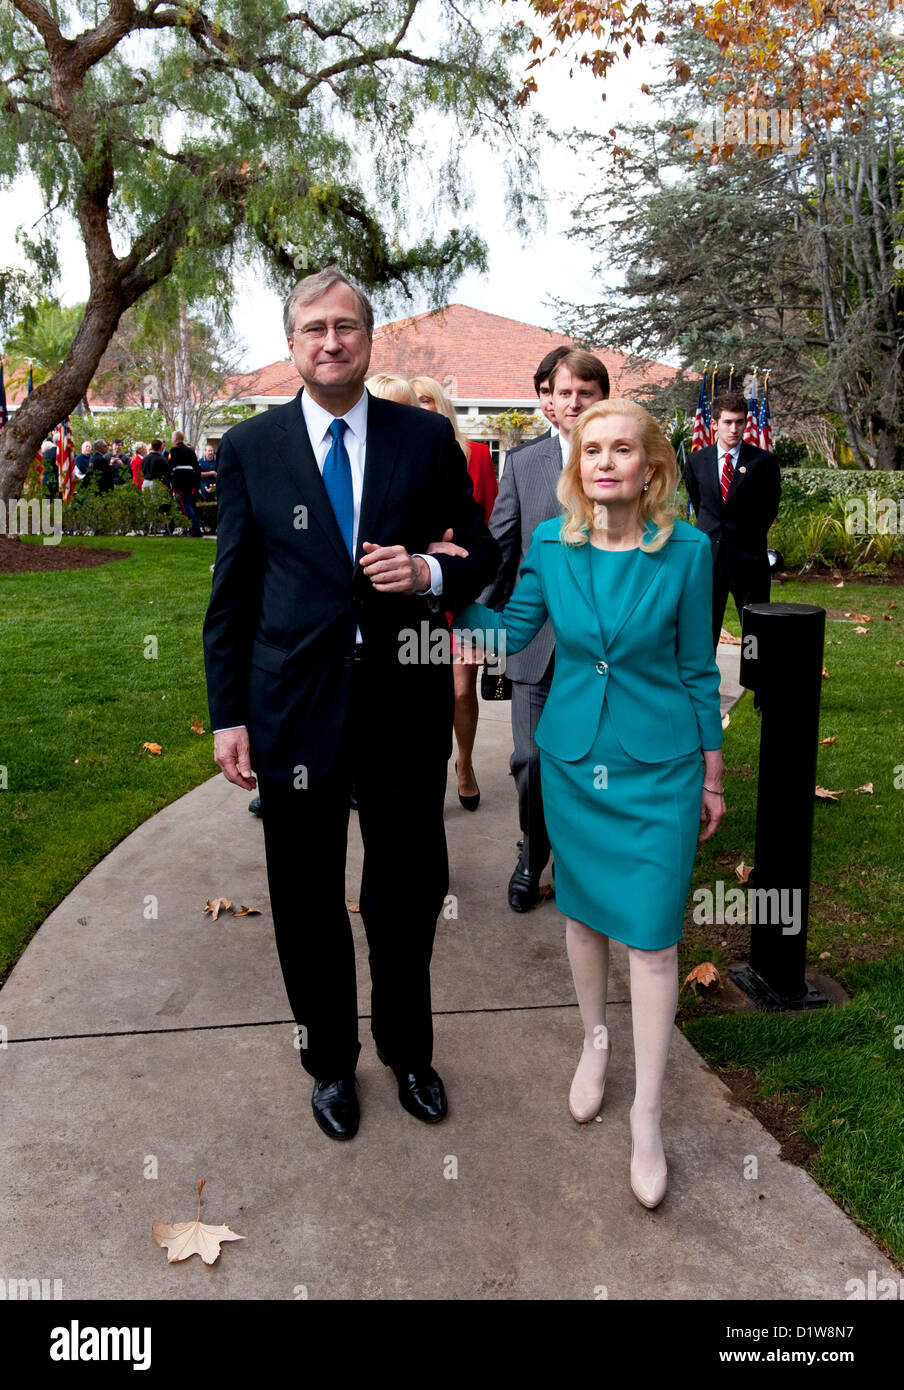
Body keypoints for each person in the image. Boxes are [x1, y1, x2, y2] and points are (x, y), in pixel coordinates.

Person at [203, 266, 499, 1142]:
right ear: (292, 345)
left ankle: (409, 1052)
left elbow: (480, 551)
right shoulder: (252, 448)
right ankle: (329, 1064)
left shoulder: (422, 439)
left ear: (369, 340)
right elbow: (232, 595)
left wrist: (429, 571)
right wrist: (229, 715)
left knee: (407, 890)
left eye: (346, 327)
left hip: (403, 704)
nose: (330, 342)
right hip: (294, 707)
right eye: (313, 330)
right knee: (303, 895)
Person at [451, 398, 724, 1209]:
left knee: (651, 940)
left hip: (661, 768)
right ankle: (595, 1046)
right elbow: (509, 633)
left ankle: (647, 1117)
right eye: (592, 449)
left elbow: (698, 669)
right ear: (577, 465)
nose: (604, 461)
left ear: (651, 468)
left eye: (622, 450)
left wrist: (711, 774)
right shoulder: (550, 544)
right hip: (574, 761)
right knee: (581, 917)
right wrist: (448, 585)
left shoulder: (688, 551)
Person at [481, 347, 610, 911]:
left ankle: (587, 861)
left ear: (604, 398)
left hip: (606, 647)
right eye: (564, 392)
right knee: (531, 760)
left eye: (587, 392)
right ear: (546, 401)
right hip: (535, 644)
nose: (575, 402)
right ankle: (534, 853)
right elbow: (499, 548)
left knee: (594, 761)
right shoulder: (524, 463)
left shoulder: (628, 459)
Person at [411, 374, 498, 810]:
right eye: (414, 399)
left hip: (465, 597)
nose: (421, 405)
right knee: (427, 693)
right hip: (418, 598)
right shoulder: (398, 453)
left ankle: (463, 763)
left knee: (463, 690)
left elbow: (490, 534)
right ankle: (426, 769)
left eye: (428, 399)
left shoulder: (477, 455)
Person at [684, 391, 782, 648]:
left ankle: (757, 681)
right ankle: (703, 684)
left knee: (755, 630)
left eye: (739, 422)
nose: (734, 429)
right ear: (714, 424)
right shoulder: (696, 461)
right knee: (705, 627)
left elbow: (769, 507)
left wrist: (748, 536)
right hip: (709, 558)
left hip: (748, 558)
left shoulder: (763, 462)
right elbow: (700, 503)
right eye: (728, 422)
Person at [168, 431, 203, 536]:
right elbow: (197, 468)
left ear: (175, 439)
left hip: (180, 482)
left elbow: (170, 465)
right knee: (187, 506)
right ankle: (191, 529)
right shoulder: (190, 451)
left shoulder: (174, 450)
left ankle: (195, 530)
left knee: (186, 507)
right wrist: (197, 483)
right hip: (190, 482)